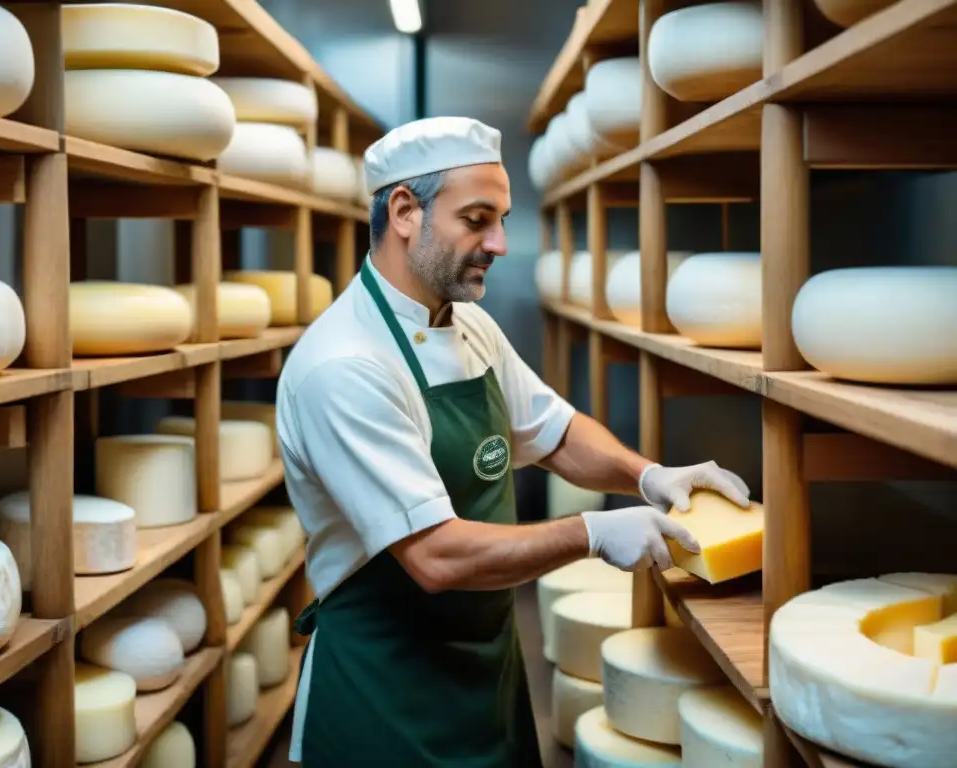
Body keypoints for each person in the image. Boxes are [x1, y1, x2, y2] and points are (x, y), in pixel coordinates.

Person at [275, 116, 751, 767]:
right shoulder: (345, 366)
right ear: (406, 211)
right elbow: (436, 557)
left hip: (484, 669)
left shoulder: (469, 326)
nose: (499, 242)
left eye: (501, 218)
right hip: (384, 691)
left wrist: (649, 476)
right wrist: (589, 534)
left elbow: (554, 433)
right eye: (477, 219)